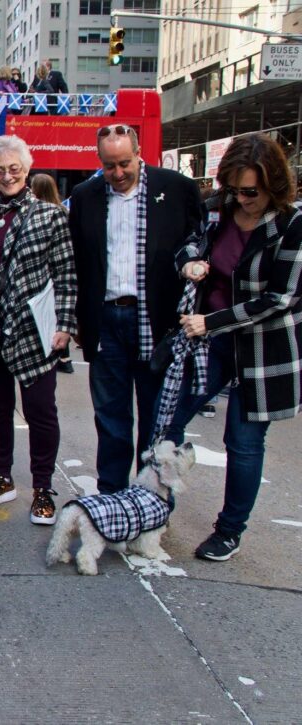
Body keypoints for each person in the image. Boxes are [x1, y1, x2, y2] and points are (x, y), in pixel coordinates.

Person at [164, 134, 302, 561]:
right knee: (167, 418)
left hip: (265, 348)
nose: (243, 199)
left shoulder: (292, 224)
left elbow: (280, 299)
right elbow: (188, 245)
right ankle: (155, 507)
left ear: (274, 185)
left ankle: (229, 531)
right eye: (235, 189)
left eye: (252, 192)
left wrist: (211, 321)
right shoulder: (218, 210)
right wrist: (188, 262)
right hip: (209, 344)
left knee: (242, 440)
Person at [69, 124, 203, 495]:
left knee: (157, 418)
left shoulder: (176, 189)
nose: (117, 173)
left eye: (124, 163)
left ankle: (153, 501)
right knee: (111, 419)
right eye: (108, 165)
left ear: (139, 152)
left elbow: (197, 238)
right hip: (106, 319)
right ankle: (112, 497)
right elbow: (79, 259)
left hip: (156, 320)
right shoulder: (85, 196)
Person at [0, 135, 76, 525]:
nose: (7, 176)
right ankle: (2, 478)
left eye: (14, 169)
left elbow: (66, 274)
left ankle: (43, 488)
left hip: (33, 329)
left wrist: (66, 325)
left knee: (41, 411)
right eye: (0, 170)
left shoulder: (50, 215)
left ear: (27, 168)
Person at [30, 174, 74, 374]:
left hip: (45, 278)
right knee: (54, 318)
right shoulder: (62, 211)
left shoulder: (46, 213)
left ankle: (60, 354)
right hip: (55, 276)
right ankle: (64, 356)